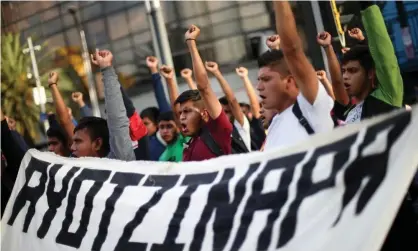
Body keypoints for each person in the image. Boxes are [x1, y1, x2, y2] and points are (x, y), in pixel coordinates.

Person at [258, 1, 334, 151]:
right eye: (259, 80)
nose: (259, 87)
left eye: (266, 79)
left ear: (290, 80)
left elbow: (292, 49)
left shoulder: (311, 106)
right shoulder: (275, 125)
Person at [174, 24, 232, 161]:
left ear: (205, 114)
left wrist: (191, 42)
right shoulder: (188, 145)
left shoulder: (217, 131)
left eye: (187, 111)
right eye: (180, 113)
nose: (181, 117)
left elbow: (204, 87)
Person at [69, 49, 135, 160]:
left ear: (97, 144)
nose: (72, 148)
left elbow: (117, 120)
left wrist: (106, 69)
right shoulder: (73, 172)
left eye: (78, 141)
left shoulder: (118, 163)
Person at [205, 61, 251, 153]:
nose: (223, 115)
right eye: (221, 112)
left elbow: (232, 100)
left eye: (227, 112)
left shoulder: (240, 127)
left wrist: (216, 72)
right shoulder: (214, 132)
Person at [236, 66, 266, 150]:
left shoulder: (255, 124)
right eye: (240, 113)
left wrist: (244, 77)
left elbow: (254, 103)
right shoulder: (235, 130)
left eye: (245, 112)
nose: (244, 115)